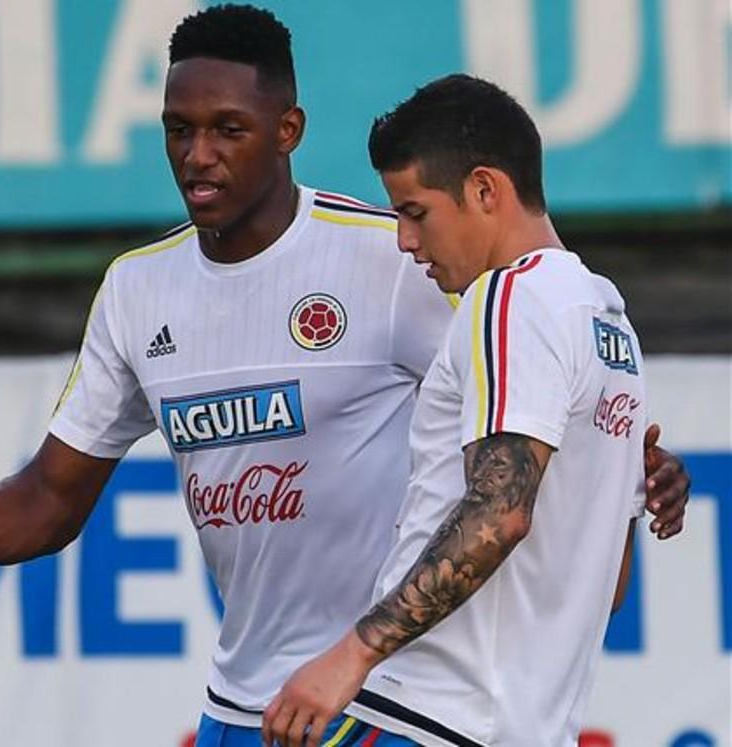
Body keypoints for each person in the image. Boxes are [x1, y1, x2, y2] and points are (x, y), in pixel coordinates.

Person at [0, 8, 689, 746]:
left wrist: (606, 472)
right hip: (249, 702)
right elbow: (48, 501)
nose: (197, 154)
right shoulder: (140, 291)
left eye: (227, 129)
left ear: (287, 131)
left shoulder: (411, 268)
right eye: (178, 128)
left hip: (377, 700)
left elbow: (514, 478)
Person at [263, 74, 678, 747]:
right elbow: (606, 588)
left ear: (486, 190)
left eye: (414, 211)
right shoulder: (611, 323)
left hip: (428, 714)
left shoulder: (510, 298)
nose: (403, 239)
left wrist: (353, 654)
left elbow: (500, 511)